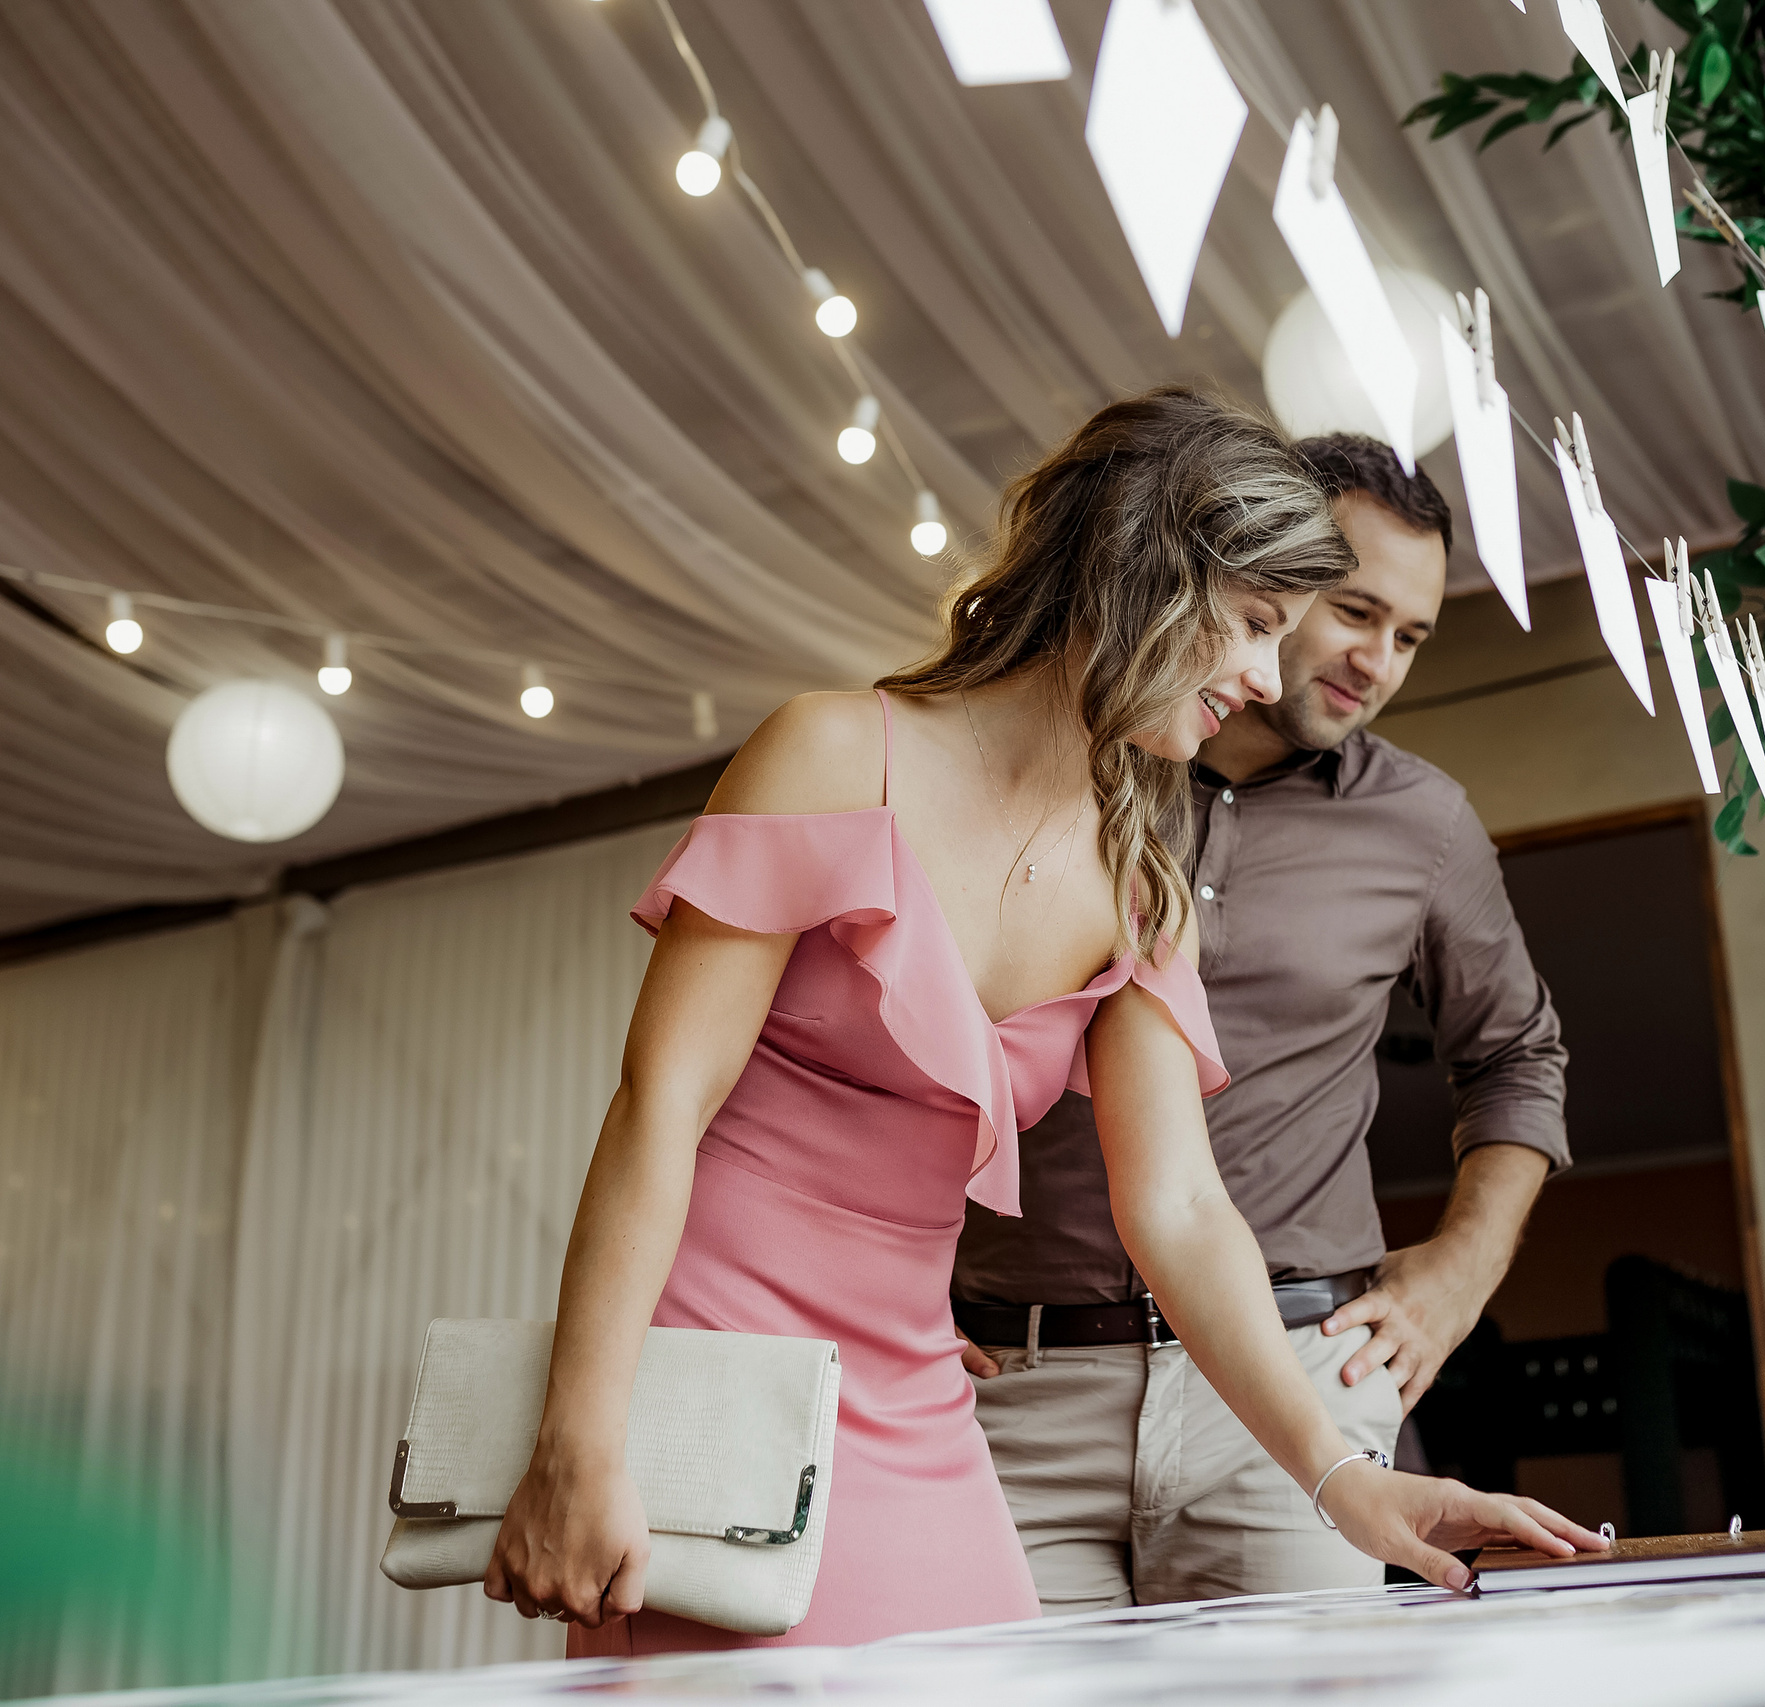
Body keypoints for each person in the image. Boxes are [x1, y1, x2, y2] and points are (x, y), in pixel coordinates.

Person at [482, 391, 1602, 1654]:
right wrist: (580, 1440)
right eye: (1247, 625)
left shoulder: (1141, 876)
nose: (1257, 673)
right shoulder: (833, 751)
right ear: (1139, 571)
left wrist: (1343, 1479)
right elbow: (659, 1106)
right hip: (720, 1383)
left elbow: (1176, 1207)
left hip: (916, 1395)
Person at [953, 434, 1570, 1612]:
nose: (1378, 660)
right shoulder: (1052, 778)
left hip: (1295, 1378)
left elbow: (1515, 1058)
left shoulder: (1424, 824)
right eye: (1352, 610)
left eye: (1411, 636)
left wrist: (1458, 1272)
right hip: (1015, 1388)